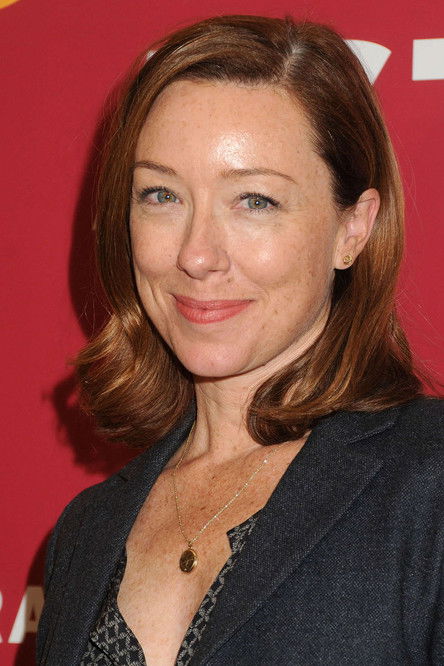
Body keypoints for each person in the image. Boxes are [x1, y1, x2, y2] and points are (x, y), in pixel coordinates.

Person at [37, 14, 444, 666]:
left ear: (353, 229)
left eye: (254, 201)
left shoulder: (428, 485)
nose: (196, 255)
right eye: (161, 194)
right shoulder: (84, 535)